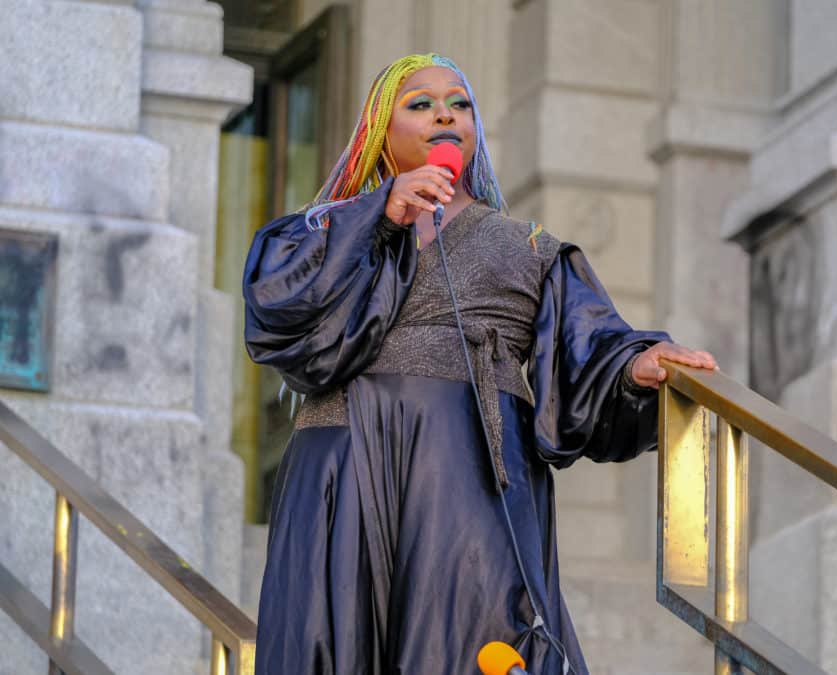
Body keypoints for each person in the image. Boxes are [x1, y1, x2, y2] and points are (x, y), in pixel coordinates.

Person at [243, 53, 716, 675]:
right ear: (379, 136)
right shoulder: (322, 230)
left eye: (459, 103)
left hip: (468, 471)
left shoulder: (529, 246)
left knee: (477, 639)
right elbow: (277, 304)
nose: (444, 112)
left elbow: (587, 347)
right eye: (420, 103)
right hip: (343, 463)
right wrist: (379, 213)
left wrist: (634, 367)